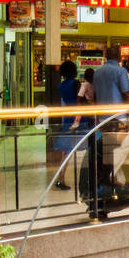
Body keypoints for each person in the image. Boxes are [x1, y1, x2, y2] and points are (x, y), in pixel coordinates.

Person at [52, 60, 82, 190]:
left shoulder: (61, 85)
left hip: (67, 118)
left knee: (66, 151)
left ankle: (60, 178)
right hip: (78, 118)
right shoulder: (76, 84)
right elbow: (80, 99)